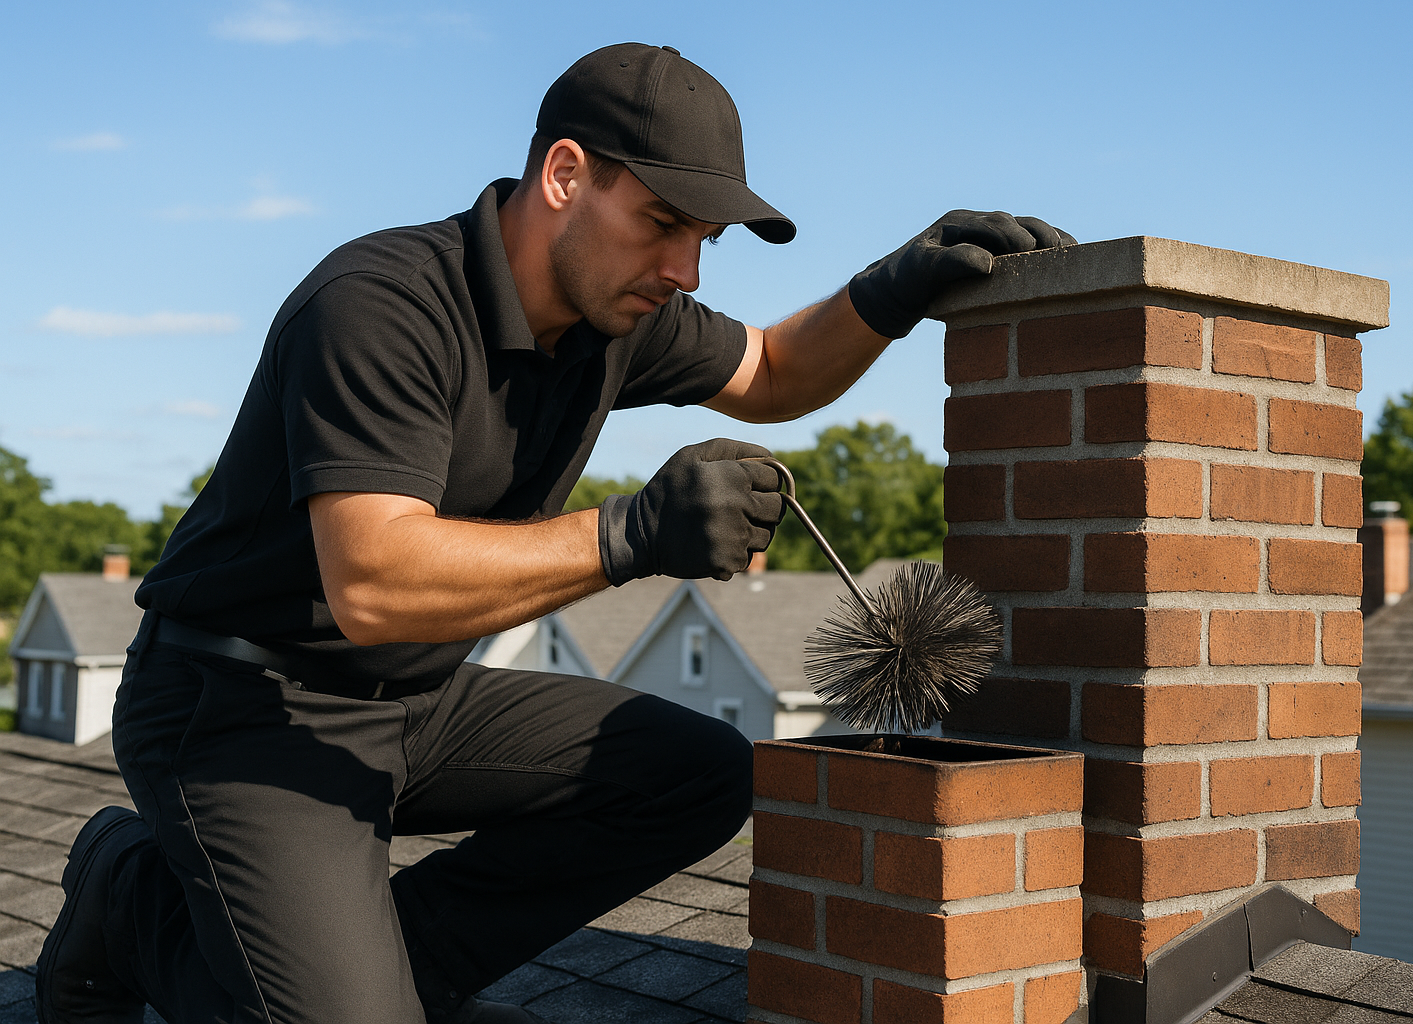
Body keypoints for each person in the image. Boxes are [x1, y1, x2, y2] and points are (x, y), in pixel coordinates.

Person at [35, 42, 1074, 1024]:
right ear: (565, 175)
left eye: (704, 241)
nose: (686, 270)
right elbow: (374, 581)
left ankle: (398, 977)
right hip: (241, 705)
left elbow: (771, 370)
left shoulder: (614, 315)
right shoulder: (380, 303)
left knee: (698, 772)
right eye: (662, 222)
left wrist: (893, 288)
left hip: (414, 702)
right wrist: (632, 533)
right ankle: (127, 895)